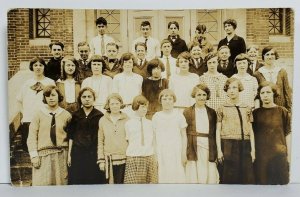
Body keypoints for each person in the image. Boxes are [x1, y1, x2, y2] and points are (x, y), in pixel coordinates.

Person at [27, 85, 72, 186]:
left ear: (59, 96)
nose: (50, 98)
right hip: (43, 156)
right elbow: (32, 136)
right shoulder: (38, 114)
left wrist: (69, 155)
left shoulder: (66, 115)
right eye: (47, 95)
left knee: (61, 186)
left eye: (53, 95)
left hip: (61, 155)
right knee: (42, 186)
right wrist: (34, 156)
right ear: (44, 98)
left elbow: (71, 138)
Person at [216, 78, 255, 184]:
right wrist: (219, 151)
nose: (231, 90)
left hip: (245, 145)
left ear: (239, 89)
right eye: (228, 88)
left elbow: (251, 130)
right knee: (229, 177)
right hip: (228, 145)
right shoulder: (222, 108)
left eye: (234, 87)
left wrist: (253, 150)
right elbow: (218, 130)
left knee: (246, 177)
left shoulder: (247, 108)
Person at [252, 82, 291, 184]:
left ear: (274, 93)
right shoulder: (255, 113)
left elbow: (288, 134)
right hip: (262, 157)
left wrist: (289, 156)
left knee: (281, 186)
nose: (265, 95)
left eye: (268, 92)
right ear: (259, 95)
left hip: (279, 156)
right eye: (262, 93)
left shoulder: (283, 111)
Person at [67, 87, 106, 184]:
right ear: (80, 99)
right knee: (78, 180)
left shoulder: (99, 115)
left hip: (94, 154)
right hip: (78, 154)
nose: (87, 99)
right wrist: (69, 155)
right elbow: (71, 136)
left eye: (89, 96)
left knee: (94, 181)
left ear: (94, 99)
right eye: (84, 97)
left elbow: (102, 138)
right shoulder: (75, 115)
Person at [16, 57, 55, 152]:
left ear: (44, 67)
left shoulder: (50, 82)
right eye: (35, 65)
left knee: (44, 147)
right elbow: (18, 100)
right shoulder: (27, 83)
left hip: (45, 119)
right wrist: (24, 114)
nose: (38, 67)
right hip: (29, 118)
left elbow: (54, 100)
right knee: (29, 148)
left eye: (41, 65)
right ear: (32, 67)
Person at [184, 84, 219, 184]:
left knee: (207, 169)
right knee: (194, 170)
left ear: (207, 96)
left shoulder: (212, 112)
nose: (201, 97)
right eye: (198, 95)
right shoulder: (187, 111)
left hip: (208, 144)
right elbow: (185, 131)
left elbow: (213, 131)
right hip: (193, 143)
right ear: (194, 96)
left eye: (204, 95)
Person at [152, 89, 187, 183]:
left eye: (170, 99)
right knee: (163, 176)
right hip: (161, 151)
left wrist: (183, 153)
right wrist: (155, 155)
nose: (167, 101)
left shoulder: (179, 115)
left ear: (174, 100)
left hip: (176, 150)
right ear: (160, 101)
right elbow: (154, 137)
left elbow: (184, 136)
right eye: (164, 99)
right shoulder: (156, 116)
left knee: (177, 176)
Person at [124, 95, 158, 184]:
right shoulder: (128, 124)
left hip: (149, 157)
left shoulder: (151, 124)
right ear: (135, 107)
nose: (144, 109)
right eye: (142, 107)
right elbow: (128, 141)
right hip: (134, 158)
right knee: (133, 187)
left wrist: (154, 156)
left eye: (146, 107)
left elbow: (153, 141)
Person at [97, 93, 129, 184]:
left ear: (121, 104)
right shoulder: (102, 120)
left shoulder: (127, 119)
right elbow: (100, 141)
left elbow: (130, 140)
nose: (115, 106)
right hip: (108, 160)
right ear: (108, 105)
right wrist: (101, 160)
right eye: (112, 104)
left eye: (117, 103)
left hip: (124, 159)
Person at [253, 46, 292, 111]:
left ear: (275, 56)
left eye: (272, 54)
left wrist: (288, 108)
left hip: (281, 107)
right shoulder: (257, 74)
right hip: (264, 108)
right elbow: (256, 94)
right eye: (267, 54)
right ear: (263, 57)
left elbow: (287, 91)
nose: (270, 57)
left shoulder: (282, 72)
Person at [112, 52, 143, 117]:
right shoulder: (117, 78)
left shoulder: (139, 78)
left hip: (135, 109)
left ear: (133, 64)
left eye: (130, 62)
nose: (127, 64)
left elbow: (140, 94)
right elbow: (115, 95)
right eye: (125, 62)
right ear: (122, 64)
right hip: (121, 109)